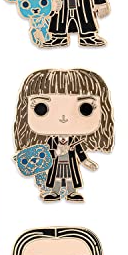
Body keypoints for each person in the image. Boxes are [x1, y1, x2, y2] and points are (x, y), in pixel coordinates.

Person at [14, 69, 114, 202]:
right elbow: (46, 154)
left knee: (71, 178)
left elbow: (80, 152)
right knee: (55, 178)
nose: (63, 117)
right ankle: (55, 192)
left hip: (71, 163)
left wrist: (86, 162)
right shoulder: (52, 141)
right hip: (55, 164)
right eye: (41, 108)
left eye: (85, 108)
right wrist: (56, 152)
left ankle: (71, 192)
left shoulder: (75, 140)